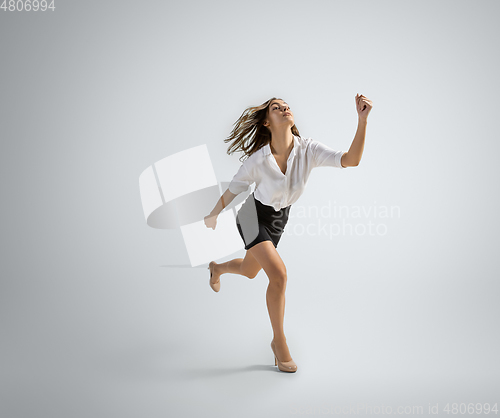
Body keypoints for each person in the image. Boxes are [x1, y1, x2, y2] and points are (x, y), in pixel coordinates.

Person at [204, 94, 373, 372]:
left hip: (279, 220)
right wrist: (213, 214)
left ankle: (217, 268)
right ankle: (279, 342)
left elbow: (351, 160)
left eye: (286, 106)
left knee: (250, 271)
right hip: (251, 216)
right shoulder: (257, 161)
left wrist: (362, 120)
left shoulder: (308, 150)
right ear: (268, 122)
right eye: (276, 107)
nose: (285, 109)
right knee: (279, 275)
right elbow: (233, 191)